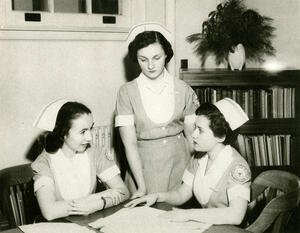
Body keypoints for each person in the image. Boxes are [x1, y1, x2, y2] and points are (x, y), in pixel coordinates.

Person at [125, 98, 251, 226]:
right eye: (195, 127)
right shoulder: (198, 157)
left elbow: (236, 216)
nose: (193, 134)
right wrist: (156, 196)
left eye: (200, 130)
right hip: (207, 226)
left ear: (221, 137)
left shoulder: (238, 167)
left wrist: (187, 214)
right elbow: (181, 194)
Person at [115, 22, 199, 198]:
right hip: (144, 170)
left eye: (156, 58)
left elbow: (192, 138)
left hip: (181, 167)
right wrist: (141, 187)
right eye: (143, 60)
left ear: (166, 55)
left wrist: (196, 174)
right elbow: (129, 144)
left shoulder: (184, 89)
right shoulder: (126, 92)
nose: (150, 65)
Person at [31, 99, 130, 221]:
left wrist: (98, 204)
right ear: (63, 133)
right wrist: (97, 197)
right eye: (83, 132)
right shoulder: (43, 163)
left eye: (90, 128)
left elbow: (123, 191)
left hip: (90, 222)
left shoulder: (94, 152)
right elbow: (49, 212)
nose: (89, 137)